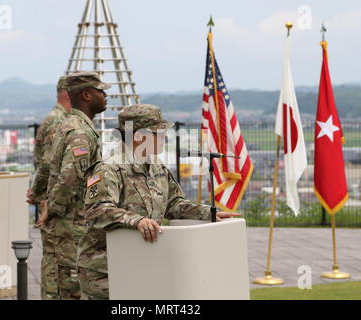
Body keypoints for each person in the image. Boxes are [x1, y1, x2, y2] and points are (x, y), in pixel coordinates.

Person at [77, 104, 240, 300]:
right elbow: (97, 210)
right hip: (106, 270)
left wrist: (208, 213)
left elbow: (174, 204)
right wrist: (136, 220)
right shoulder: (108, 168)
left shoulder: (156, 167)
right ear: (138, 137)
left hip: (143, 264)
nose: (165, 137)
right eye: (159, 133)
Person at [44, 72, 110, 300]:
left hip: (72, 224)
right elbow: (69, 177)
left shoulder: (73, 124)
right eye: (101, 91)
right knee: (72, 289)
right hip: (72, 226)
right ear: (86, 94)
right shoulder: (80, 131)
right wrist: (53, 209)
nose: (106, 95)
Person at [26, 75, 72, 300]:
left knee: (56, 261)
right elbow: (47, 162)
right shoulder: (57, 121)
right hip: (52, 202)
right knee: (54, 263)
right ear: (67, 95)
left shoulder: (58, 119)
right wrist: (37, 192)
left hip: (50, 199)